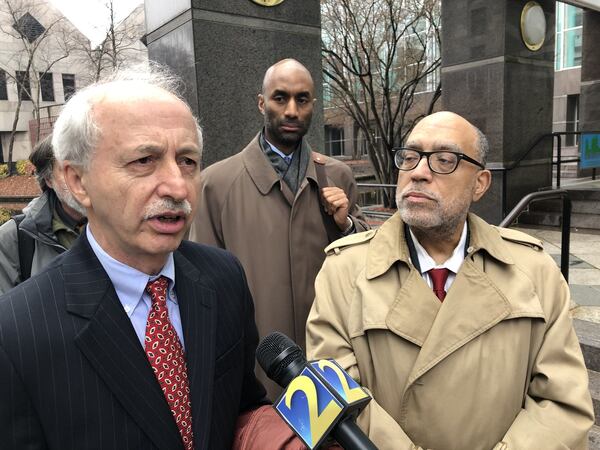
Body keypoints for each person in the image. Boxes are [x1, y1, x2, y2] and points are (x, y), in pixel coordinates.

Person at [0, 65, 269, 450]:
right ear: (77, 181)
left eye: (189, 161)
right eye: (144, 160)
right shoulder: (15, 332)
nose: (178, 185)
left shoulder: (224, 277)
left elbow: (243, 406)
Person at [306, 111, 594, 450]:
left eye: (444, 160)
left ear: (480, 183)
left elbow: (563, 405)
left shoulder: (534, 271)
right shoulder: (344, 271)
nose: (418, 173)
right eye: (410, 157)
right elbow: (335, 401)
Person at [189, 58, 368, 395]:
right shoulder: (216, 184)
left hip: (332, 361)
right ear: (261, 103)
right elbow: (203, 289)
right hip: (255, 368)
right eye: (280, 97)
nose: (291, 110)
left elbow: (364, 268)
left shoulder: (338, 176)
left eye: (302, 100)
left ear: (313, 105)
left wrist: (347, 226)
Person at [0, 134, 86, 294]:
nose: (82, 178)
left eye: (87, 165)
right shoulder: (14, 238)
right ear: (48, 180)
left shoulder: (125, 224)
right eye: (68, 169)